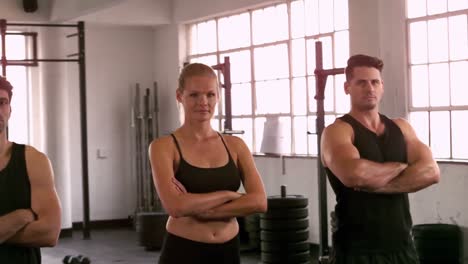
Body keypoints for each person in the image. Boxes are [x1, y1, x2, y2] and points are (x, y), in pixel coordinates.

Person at [321, 54, 440, 263]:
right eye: (361, 83)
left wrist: (378, 185)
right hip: (356, 251)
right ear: (347, 87)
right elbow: (354, 175)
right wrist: (402, 167)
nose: (370, 88)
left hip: (403, 246)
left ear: (382, 86)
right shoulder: (337, 131)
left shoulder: (402, 127)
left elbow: (431, 171)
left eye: (375, 82)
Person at [149, 63, 267, 264]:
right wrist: (229, 195)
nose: (203, 102)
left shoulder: (235, 146)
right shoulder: (164, 147)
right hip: (184, 251)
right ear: (180, 96)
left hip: (228, 251)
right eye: (194, 95)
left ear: (218, 97)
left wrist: (206, 211)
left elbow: (259, 201)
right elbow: (176, 206)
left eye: (210, 95)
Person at [0, 76, 62, 263]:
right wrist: (20, 217)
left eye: (2, 102)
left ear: (10, 110)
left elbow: (50, 233)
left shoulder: (33, 160)